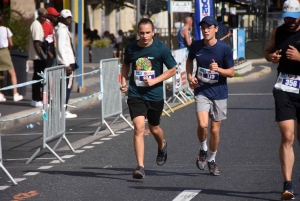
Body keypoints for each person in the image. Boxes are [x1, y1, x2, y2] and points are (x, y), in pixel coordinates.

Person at [120, 18, 177, 179]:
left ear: (153, 32)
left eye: (147, 33)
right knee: (138, 128)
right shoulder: (131, 48)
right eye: (141, 33)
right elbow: (125, 65)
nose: (144, 36)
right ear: (138, 33)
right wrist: (123, 81)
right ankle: (140, 167)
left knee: (154, 128)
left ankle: (162, 144)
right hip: (136, 93)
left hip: (155, 94)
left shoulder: (160, 49)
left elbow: (172, 70)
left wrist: (155, 80)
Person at [186, 16, 234, 176]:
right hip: (202, 90)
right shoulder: (196, 45)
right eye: (203, 28)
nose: (205, 30)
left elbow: (232, 73)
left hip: (219, 92)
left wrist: (219, 69)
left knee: (214, 130)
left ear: (215, 29)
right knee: (202, 125)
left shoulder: (224, 48)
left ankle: (212, 160)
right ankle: (203, 148)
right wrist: (189, 76)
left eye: (209, 27)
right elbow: (189, 59)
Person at [264, 0, 300, 199]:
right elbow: (268, 51)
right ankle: (287, 185)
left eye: (294, 19)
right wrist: (272, 57)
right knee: (287, 136)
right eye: (287, 18)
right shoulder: (278, 32)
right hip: (284, 87)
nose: (290, 22)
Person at [55, 9, 78, 118]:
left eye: (70, 17)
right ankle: (62, 110)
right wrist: (66, 64)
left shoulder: (63, 29)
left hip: (69, 61)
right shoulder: (61, 30)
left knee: (66, 87)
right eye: (67, 18)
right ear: (62, 18)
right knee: (66, 88)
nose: (69, 19)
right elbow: (59, 47)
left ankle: (63, 109)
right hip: (67, 62)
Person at [0, 14, 23, 102]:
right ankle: (15, 93)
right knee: (12, 73)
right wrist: (8, 50)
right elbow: (11, 43)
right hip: (5, 51)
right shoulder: (6, 29)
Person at [28, 8, 48, 107]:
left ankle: (37, 98)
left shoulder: (38, 24)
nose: (45, 18)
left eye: (46, 17)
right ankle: (36, 99)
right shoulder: (36, 25)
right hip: (38, 56)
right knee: (38, 78)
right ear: (39, 15)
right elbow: (37, 43)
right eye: (43, 16)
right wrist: (42, 56)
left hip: (39, 56)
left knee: (39, 77)